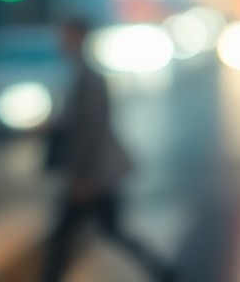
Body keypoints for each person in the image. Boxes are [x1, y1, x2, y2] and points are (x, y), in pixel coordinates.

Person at [42, 17, 175, 282]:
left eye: (65, 34)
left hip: (93, 173)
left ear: (78, 36)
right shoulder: (81, 71)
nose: (60, 40)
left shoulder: (87, 75)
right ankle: (162, 270)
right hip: (94, 172)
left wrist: (82, 176)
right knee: (106, 231)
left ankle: (162, 271)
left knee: (69, 235)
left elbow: (91, 128)